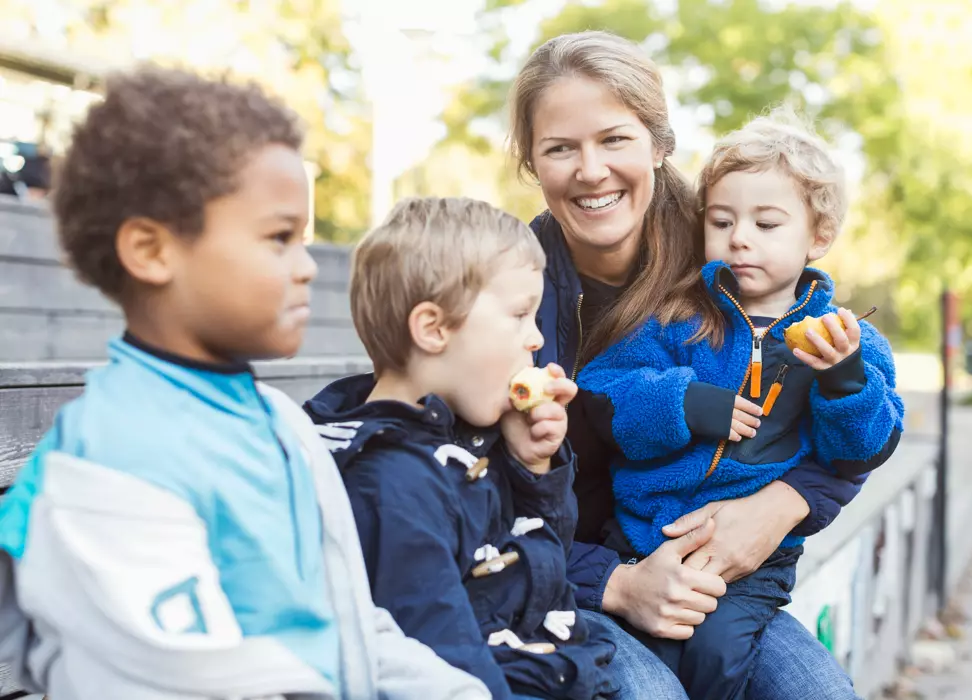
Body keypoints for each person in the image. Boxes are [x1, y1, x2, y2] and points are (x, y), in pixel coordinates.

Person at [0, 67, 488, 700]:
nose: (308, 267)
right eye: (278, 239)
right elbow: (190, 679)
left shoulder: (280, 422)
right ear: (151, 251)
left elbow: (345, 623)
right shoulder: (107, 469)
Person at [508, 30, 894, 698]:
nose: (591, 170)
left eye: (615, 139)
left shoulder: (732, 240)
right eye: (560, 148)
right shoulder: (510, 284)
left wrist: (783, 503)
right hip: (579, 567)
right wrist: (617, 583)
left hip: (727, 566)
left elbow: (840, 418)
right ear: (531, 163)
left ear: (660, 144)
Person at [303, 197, 617, 700]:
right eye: (519, 314)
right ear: (434, 329)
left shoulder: (469, 437)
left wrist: (533, 469)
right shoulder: (392, 483)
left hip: (557, 661)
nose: (536, 337)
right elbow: (443, 656)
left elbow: (544, 573)